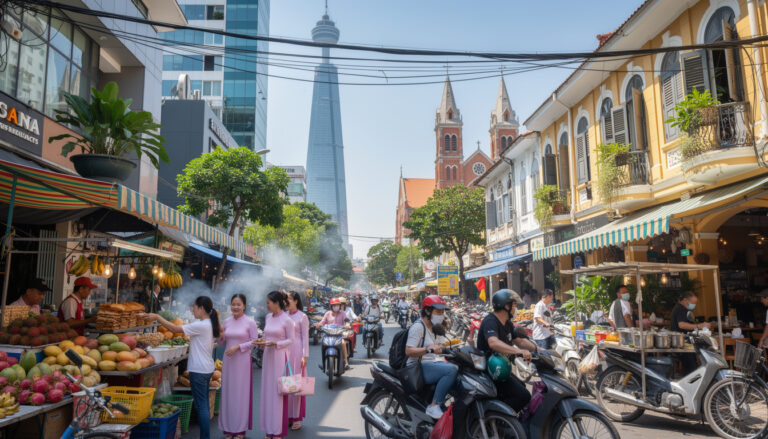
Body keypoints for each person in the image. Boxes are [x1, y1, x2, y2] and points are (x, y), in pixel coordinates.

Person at [141, 296, 220, 439]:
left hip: (199, 370)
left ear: (201, 308)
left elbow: (175, 328)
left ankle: (205, 437)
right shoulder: (207, 323)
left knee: (201, 406)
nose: (193, 310)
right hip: (206, 368)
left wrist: (158, 317)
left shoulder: (201, 325)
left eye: (194, 307)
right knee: (204, 404)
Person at [476, 289, 536, 412]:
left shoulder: (507, 323)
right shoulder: (490, 321)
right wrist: (518, 352)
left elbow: (519, 341)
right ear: (506, 306)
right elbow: (493, 342)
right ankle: (499, 419)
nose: (516, 309)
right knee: (523, 396)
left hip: (503, 367)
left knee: (522, 386)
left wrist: (540, 349)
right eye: (514, 305)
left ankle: (509, 421)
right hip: (492, 370)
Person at [405, 295, 457, 419]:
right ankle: (434, 405)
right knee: (451, 370)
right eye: (438, 311)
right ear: (428, 311)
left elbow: (440, 346)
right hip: (417, 367)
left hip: (432, 363)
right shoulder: (418, 327)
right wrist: (428, 349)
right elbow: (408, 351)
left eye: (443, 312)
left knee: (459, 372)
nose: (441, 314)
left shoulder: (435, 327)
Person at [219, 294, 259, 439]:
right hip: (228, 361)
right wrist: (219, 334)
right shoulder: (227, 321)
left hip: (242, 361)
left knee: (240, 395)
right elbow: (222, 343)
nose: (235, 307)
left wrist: (238, 347)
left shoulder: (250, 323)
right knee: (228, 394)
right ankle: (229, 429)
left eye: (238, 304)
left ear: (244, 306)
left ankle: (240, 430)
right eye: (233, 304)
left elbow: (255, 341)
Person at [258, 291, 296, 439]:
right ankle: (269, 430)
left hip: (280, 357)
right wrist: (262, 342)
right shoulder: (268, 317)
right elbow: (267, 335)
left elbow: (291, 340)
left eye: (268, 302)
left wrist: (277, 344)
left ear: (277, 303)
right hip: (268, 356)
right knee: (268, 393)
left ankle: (278, 431)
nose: (266, 305)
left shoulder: (287, 320)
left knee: (278, 393)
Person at [670, 291, 710, 374]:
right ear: (685, 300)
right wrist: (699, 326)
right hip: (681, 343)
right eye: (693, 303)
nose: (694, 305)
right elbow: (682, 325)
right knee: (691, 368)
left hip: (684, 343)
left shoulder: (682, 309)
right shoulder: (680, 309)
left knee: (691, 366)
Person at [286, 291, 309, 431]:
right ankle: (288, 415)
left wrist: (304, 355)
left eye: (288, 299)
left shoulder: (302, 316)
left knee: (297, 384)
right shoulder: (284, 316)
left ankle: (297, 417)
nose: (286, 301)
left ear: (295, 301)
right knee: (287, 384)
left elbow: (305, 337)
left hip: (297, 351)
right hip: (285, 352)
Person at [317, 297, 351, 369]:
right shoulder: (327, 313)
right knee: (323, 343)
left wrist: (347, 325)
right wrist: (318, 325)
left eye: (337, 305)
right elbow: (322, 322)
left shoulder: (343, 313)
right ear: (331, 306)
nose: (336, 307)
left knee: (343, 343)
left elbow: (346, 320)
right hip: (328, 335)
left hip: (339, 335)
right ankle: (323, 363)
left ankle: (346, 362)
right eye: (334, 305)